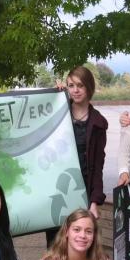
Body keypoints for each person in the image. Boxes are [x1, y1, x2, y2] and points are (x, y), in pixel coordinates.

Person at [47, 65, 108, 247]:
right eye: (71, 85)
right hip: (57, 188)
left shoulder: (98, 123)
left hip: (82, 189)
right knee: (55, 244)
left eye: (80, 85)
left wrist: (95, 201)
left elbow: (98, 165)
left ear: (89, 87)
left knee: (79, 243)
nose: (75, 90)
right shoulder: (59, 110)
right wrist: (54, 95)